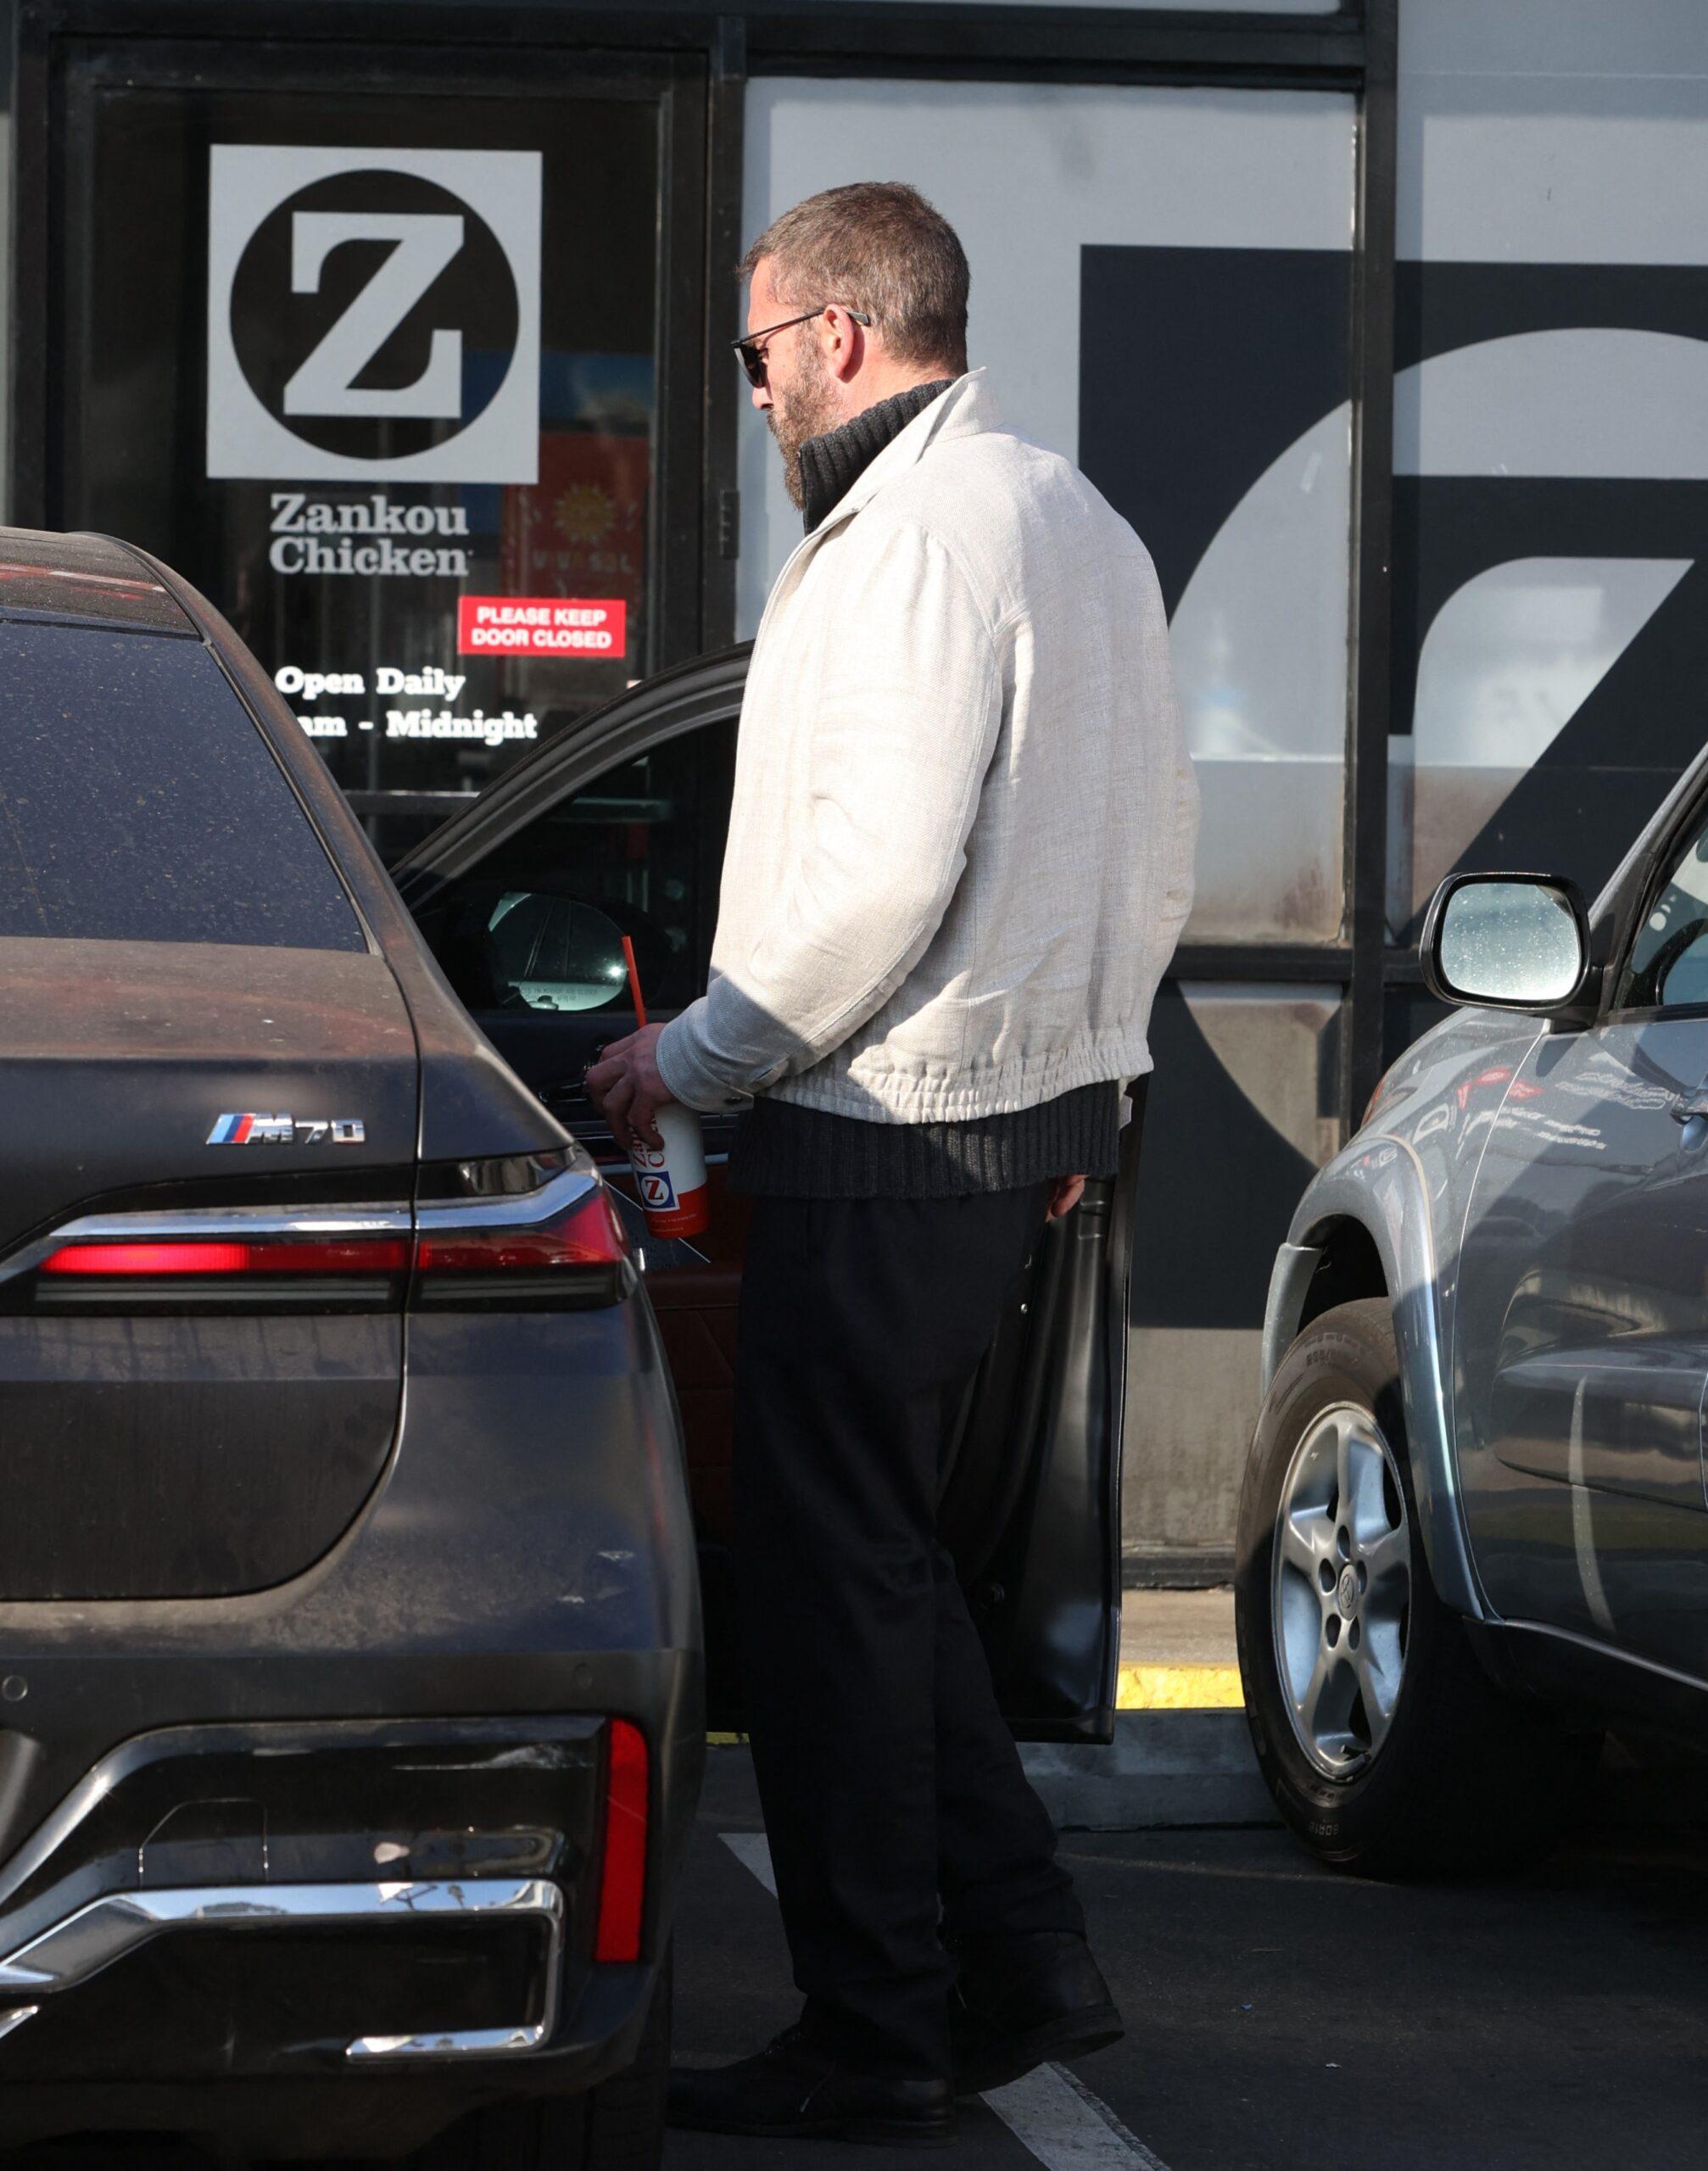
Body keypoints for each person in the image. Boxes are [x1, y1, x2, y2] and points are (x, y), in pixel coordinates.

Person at [588, 180, 1198, 2148]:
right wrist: (1081, 1075)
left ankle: (873, 2023)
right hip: (1007, 1113)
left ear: (840, 337)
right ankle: (1016, 1960)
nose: (759, 396)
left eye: (761, 353)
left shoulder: (906, 543)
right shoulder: (1066, 515)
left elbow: (871, 878)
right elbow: (1152, 849)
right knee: (884, 1564)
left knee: (826, 1584)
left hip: (888, 1112)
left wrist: (692, 1052)